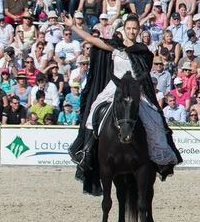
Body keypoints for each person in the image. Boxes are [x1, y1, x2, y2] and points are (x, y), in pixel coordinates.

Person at [68, 14, 181, 179]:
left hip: (135, 90)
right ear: (124, 29)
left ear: (139, 30)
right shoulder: (116, 48)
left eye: (134, 28)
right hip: (115, 88)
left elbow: (143, 74)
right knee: (94, 111)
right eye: (129, 28)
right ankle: (87, 150)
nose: (132, 31)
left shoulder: (143, 51)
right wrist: (73, 26)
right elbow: (92, 39)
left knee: (154, 118)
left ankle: (159, 159)